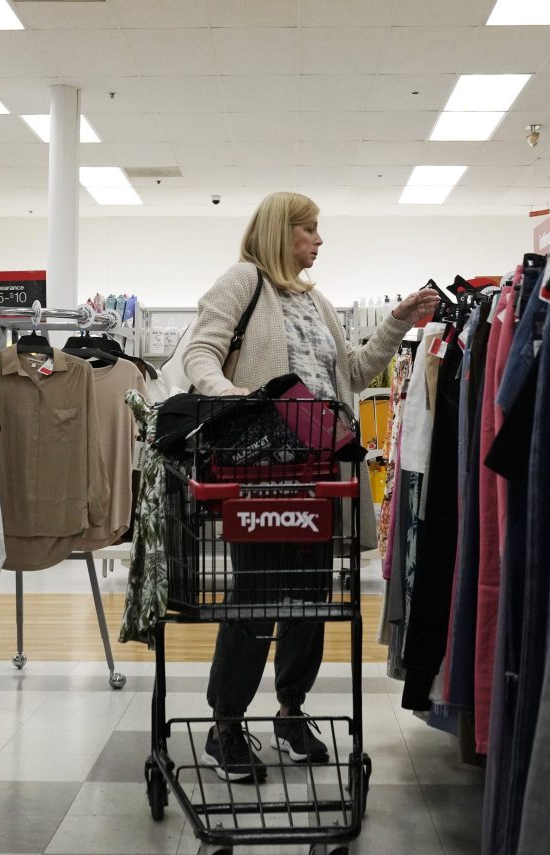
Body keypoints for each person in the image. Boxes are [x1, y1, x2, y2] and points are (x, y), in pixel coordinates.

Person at [181, 191, 440, 781]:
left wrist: (398, 321)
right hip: (261, 474)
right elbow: (200, 351)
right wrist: (235, 401)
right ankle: (225, 726)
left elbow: (349, 371)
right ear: (281, 232)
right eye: (309, 231)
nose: (319, 241)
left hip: (321, 476)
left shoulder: (315, 299)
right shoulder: (243, 282)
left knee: (310, 601)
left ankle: (290, 710)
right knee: (256, 597)